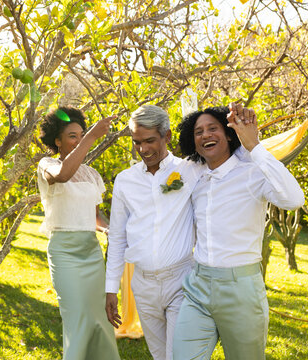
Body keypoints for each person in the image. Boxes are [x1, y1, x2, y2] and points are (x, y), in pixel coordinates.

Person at [173, 104, 304, 360]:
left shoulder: (252, 172)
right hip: (197, 286)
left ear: (229, 134)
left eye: (213, 129)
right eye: (198, 132)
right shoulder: (194, 174)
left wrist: (253, 145)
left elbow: (294, 199)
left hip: (241, 289)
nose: (205, 135)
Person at [104, 104, 209, 360]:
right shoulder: (125, 180)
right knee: (160, 355)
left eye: (150, 140)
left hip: (181, 280)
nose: (143, 149)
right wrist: (110, 289)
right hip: (142, 284)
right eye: (137, 142)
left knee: (180, 354)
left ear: (167, 136)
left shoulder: (191, 170)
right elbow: (117, 237)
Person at [37, 107, 120, 360]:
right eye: (73, 136)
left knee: (99, 319)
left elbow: (95, 216)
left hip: (91, 253)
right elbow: (63, 176)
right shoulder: (47, 165)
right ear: (57, 141)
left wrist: (109, 230)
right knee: (78, 319)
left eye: (81, 135)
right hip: (65, 253)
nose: (79, 140)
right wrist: (92, 137)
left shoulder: (92, 175)